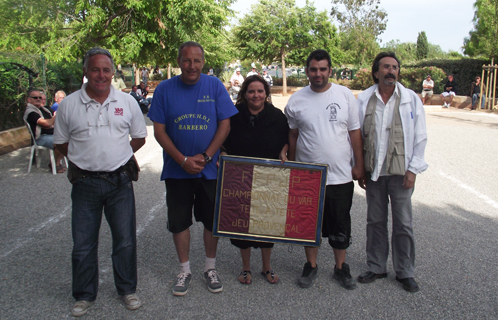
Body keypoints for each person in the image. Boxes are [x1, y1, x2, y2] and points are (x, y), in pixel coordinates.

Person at [53, 47, 147, 316]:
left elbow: (139, 137)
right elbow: (60, 143)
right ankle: (84, 296)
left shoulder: (127, 102)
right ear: (85, 71)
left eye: (106, 70)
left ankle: (127, 290)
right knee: (83, 244)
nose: (101, 75)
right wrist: (84, 159)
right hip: (85, 184)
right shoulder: (70, 104)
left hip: (120, 181)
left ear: (113, 72)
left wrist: (117, 154)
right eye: (95, 69)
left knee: (125, 240)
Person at [148, 41, 238, 296]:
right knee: (179, 222)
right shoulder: (165, 89)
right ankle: (184, 270)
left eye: (197, 60)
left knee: (211, 221)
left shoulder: (214, 85)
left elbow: (225, 125)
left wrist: (207, 157)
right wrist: (182, 160)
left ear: (203, 62)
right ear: (178, 61)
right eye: (186, 60)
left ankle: (210, 267)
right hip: (178, 170)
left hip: (209, 169)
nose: (192, 65)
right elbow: (159, 131)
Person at [285, 49, 365, 290]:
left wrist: (359, 164)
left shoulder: (344, 95)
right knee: (310, 223)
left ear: (330, 70)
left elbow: (354, 133)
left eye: (322, 69)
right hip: (309, 176)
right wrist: (292, 165)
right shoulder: (297, 100)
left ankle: (341, 267)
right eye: (313, 69)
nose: (318, 74)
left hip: (341, 175)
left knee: (341, 223)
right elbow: (292, 135)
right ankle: (311, 265)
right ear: (307, 71)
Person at [356, 52, 428, 293]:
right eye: (386, 67)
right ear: (376, 72)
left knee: (403, 223)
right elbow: (358, 135)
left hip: (401, 174)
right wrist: (361, 168)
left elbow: (420, 137)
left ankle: (405, 271)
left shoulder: (410, 99)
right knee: (375, 221)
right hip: (374, 172)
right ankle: (376, 266)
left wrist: (413, 170)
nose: (391, 71)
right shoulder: (364, 99)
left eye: (395, 67)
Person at [222, 75, 289, 285]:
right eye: (251, 91)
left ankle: (267, 267)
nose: (256, 95)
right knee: (242, 224)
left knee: (267, 223)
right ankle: (245, 268)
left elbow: (287, 141)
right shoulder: (234, 115)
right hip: (240, 178)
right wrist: (223, 153)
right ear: (245, 93)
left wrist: (285, 151)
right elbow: (223, 139)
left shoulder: (277, 116)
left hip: (269, 178)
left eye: (260, 91)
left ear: (266, 94)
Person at [23, 88, 65, 173]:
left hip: (51, 133)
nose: (38, 99)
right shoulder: (31, 112)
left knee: (70, 139)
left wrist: (51, 122)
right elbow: (47, 124)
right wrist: (53, 119)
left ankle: (55, 163)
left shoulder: (44, 109)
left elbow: (53, 122)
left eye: (40, 97)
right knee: (60, 141)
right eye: (35, 98)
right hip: (40, 138)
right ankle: (55, 164)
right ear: (29, 99)